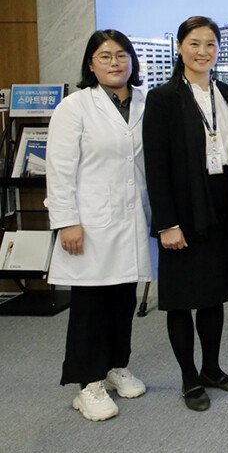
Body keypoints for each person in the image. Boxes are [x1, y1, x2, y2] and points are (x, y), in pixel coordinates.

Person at [46, 30, 153, 421]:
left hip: (132, 218)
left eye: (122, 55)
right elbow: (59, 170)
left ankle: (114, 366)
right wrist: (67, 222)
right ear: (90, 64)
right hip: (89, 222)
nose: (114, 62)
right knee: (90, 304)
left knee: (123, 298)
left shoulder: (145, 102)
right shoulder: (74, 107)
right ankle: (87, 384)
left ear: (132, 61)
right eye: (105, 56)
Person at [143, 16, 228, 411]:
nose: (203, 52)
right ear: (179, 48)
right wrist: (167, 224)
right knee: (181, 298)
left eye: (210, 44)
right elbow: (156, 167)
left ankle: (212, 369)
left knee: (213, 295)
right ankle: (189, 378)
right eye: (194, 43)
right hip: (183, 209)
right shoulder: (163, 98)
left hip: (221, 205)